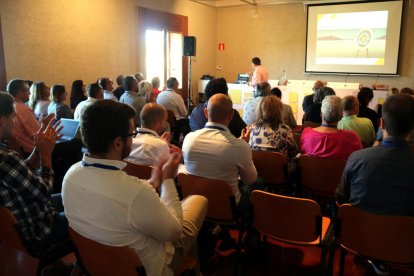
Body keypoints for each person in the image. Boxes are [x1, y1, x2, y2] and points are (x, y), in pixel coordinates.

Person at [62, 100, 207, 276]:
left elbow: (126, 200)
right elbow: (174, 231)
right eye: (132, 133)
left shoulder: (70, 176)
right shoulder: (134, 192)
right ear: (117, 143)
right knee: (198, 201)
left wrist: (154, 180)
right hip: (145, 267)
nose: (133, 138)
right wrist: (167, 180)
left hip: (96, 262)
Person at [336, 94, 414, 275]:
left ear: (382, 124)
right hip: (404, 245)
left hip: (359, 238)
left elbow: (341, 197)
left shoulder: (358, 158)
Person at [0, 92, 70, 253]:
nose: (15, 121)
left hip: (22, 217)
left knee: (70, 195)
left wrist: (39, 146)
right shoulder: (6, 158)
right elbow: (44, 191)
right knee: (85, 216)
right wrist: (46, 155)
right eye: (13, 117)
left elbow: (21, 171)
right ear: (2, 120)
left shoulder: (5, 155)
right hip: (38, 229)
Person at [182, 94, 257, 207]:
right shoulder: (239, 147)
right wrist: (242, 146)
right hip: (227, 207)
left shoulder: (189, 138)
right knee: (258, 183)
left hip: (194, 204)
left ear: (206, 112)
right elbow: (249, 180)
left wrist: (240, 145)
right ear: (232, 115)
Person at [249, 96, 298, 172]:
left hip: (257, 173)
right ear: (279, 111)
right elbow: (293, 151)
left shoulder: (252, 128)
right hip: (278, 174)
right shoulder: (285, 129)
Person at [7, 79, 42, 154]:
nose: (29, 94)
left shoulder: (9, 106)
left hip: (16, 150)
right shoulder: (23, 108)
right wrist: (44, 124)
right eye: (27, 90)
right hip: (31, 152)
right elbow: (38, 133)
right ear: (20, 92)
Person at [157, 77, 190, 144]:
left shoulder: (160, 95)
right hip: (175, 122)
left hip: (162, 121)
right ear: (175, 84)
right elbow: (184, 113)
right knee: (189, 121)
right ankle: (184, 142)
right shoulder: (177, 97)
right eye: (178, 84)